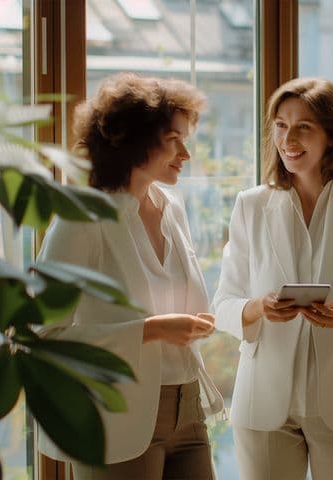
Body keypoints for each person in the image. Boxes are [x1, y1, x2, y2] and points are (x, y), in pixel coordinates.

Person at [38, 73, 223, 480]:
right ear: (137, 141)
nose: (186, 154)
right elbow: (41, 334)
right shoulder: (82, 217)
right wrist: (149, 330)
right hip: (114, 416)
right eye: (174, 140)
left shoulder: (171, 207)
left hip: (188, 408)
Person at [212, 77, 333, 480]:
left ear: (331, 136)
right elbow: (222, 303)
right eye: (280, 125)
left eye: (303, 127)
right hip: (263, 403)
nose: (288, 138)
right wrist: (255, 308)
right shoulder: (250, 205)